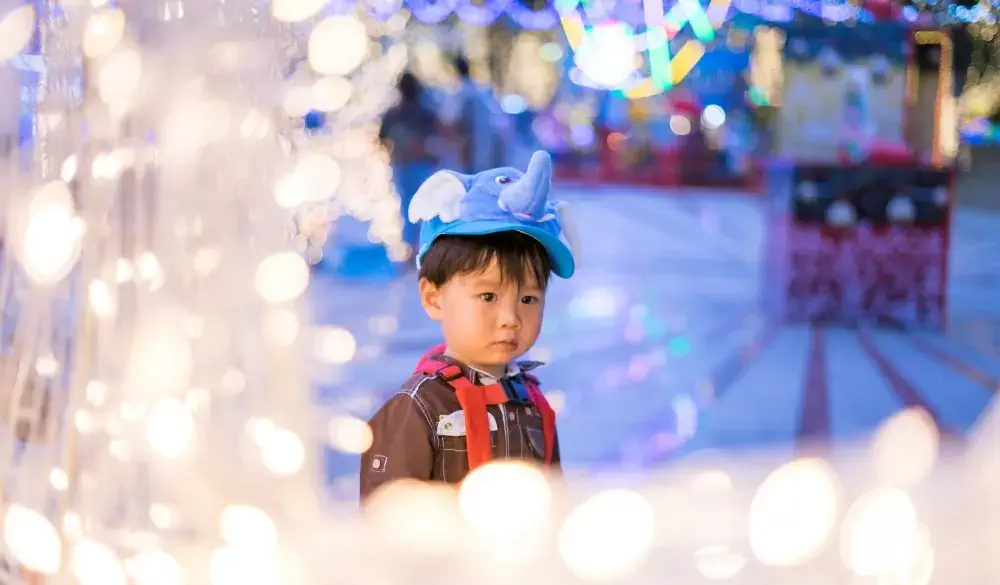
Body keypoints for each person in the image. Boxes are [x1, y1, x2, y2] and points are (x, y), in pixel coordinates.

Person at [359, 150, 577, 499]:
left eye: (528, 299)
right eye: (488, 296)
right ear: (434, 298)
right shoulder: (418, 407)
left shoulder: (532, 403)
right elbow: (386, 522)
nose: (511, 319)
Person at [379, 71, 439, 254]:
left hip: (404, 165)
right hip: (420, 165)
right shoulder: (425, 112)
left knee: (408, 207)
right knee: (426, 207)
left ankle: (412, 249)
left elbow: (381, 138)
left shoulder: (394, 113)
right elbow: (437, 136)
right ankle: (424, 248)